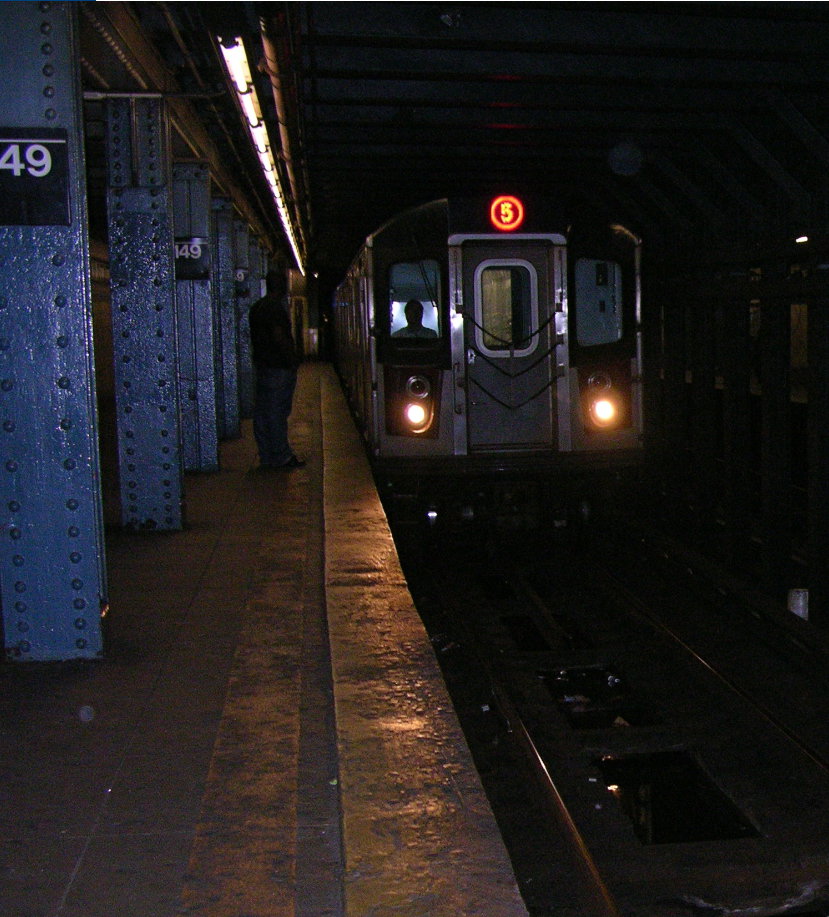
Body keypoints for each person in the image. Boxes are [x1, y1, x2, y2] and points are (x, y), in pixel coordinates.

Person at [248, 268, 305, 469]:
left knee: (263, 414)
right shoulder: (276, 309)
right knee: (277, 413)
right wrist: (292, 360)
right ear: (282, 287)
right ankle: (281, 456)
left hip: (263, 366)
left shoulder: (257, 308)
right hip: (279, 367)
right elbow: (279, 336)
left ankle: (266, 456)